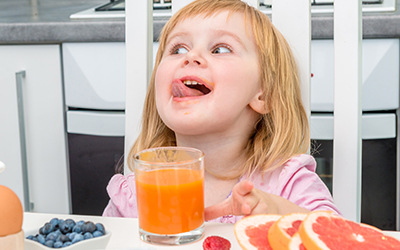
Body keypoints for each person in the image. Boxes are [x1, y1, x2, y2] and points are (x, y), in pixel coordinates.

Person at [103, 0, 340, 223]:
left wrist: (277, 210)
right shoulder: (134, 194)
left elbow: (336, 236)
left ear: (264, 94)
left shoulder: (287, 183)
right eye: (177, 49)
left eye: (220, 49)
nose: (191, 56)